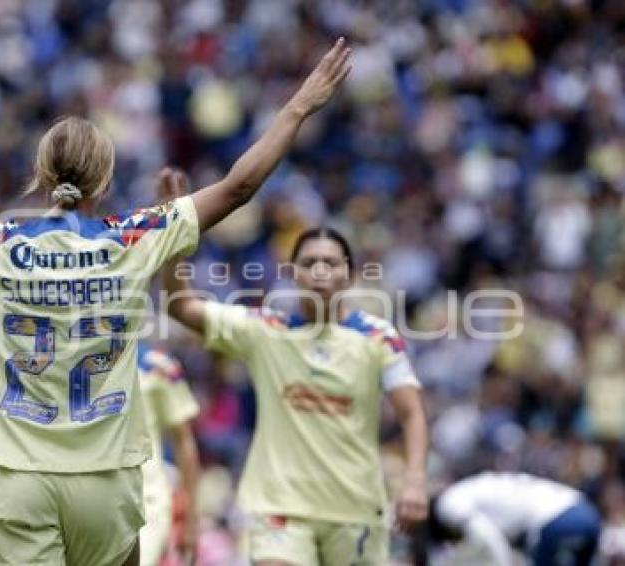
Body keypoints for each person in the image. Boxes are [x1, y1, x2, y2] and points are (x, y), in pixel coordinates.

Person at [0, 38, 352, 566]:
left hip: (22, 478)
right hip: (109, 484)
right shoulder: (135, 238)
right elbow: (238, 187)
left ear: (43, 176)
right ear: (104, 177)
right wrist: (299, 106)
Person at [160, 172, 429, 564]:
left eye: (330, 263)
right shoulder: (266, 331)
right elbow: (181, 308)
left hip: (354, 508)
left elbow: (412, 412)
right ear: (293, 273)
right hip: (279, 507)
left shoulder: (378, 337)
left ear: (350, 275)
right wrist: (175, 230)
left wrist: (415, 480)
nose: (320, 270)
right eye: (310, 263)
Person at [426, 471, 601, 566]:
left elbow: (489, 536)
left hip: (556, 521)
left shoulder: (447, 503)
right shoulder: (470, 488)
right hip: (587, 512)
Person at [137, 343, 200, 566]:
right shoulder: (64, 360)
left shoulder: (157, 366)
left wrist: (190, 520)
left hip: (146, 502)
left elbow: (183, 440)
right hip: (83, 501)